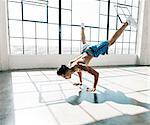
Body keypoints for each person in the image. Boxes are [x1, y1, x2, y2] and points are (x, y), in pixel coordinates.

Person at [57, 16, 137, 92]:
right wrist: (81, 82)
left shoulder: (79, 65)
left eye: (63, 76)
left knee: (111, 42)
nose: (64, 77)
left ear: (66, 71)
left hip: (92, 51)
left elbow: (96, 74)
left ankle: (127, 22)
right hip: (85, 50)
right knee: (84, 42)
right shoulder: (71, 65)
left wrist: (94, 88)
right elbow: (78, 71)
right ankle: (82, 27)